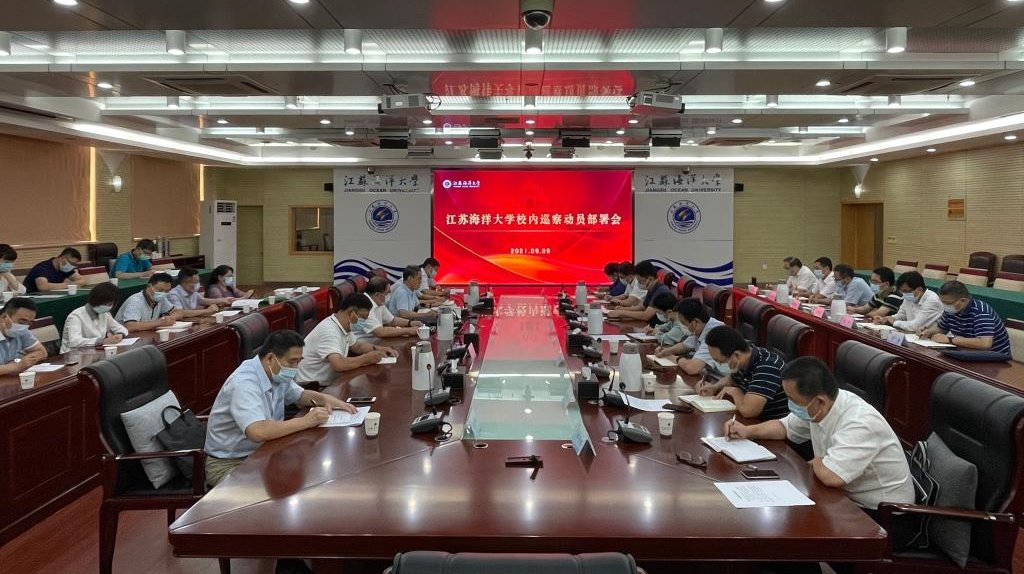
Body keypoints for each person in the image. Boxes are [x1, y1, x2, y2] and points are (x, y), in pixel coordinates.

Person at [725, 357, 914, 511]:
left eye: (792, 399)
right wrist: (747, 431)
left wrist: (816, 461)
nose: (790, 405)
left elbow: (831, 476)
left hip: (882, 512)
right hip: (844, 496)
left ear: (820, 401)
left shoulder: (859, 422)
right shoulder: (820, 406)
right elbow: (784, 427)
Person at [204, 329, 358, 487]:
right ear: (270, 358)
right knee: (282, 488)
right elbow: (258, 431)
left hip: (264, 452)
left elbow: (300, 395)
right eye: (292, 362)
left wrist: (325, 399)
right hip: (231, 463)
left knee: (312, 472)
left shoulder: (274, 373)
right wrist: (306, 421)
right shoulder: (244, 384)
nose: (295, 368)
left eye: (298, 361)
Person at [296, 293, 399, 384]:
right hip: (314, 386)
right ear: (352, 313)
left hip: (332, 381)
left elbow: (357, 346)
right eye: (362, 317)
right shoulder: (329, 331)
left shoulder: (342, 325)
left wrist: (381, 349)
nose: (363, 322)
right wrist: (366, 358)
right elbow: (338, 364)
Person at [701, 326, 789, 420]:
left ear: (736, 355)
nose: (720, 364)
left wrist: (735, 392)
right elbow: (731, 380)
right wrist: (714, 387)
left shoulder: (767, 367)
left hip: (770, 423)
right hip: (755, 421)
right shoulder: (747, 356)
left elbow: (748, 411)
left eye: (721, 361)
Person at [918, 280, 1012, 355]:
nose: (945, 305)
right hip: (966, 352)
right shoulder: (951, 309)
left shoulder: (981, 312)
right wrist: (928, 332)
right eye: (943, 302)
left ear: (963, 300)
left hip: (993, 357)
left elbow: (985, 344)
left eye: (948, 303)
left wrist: (950, 339)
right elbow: (942, 328)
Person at [657, 298, 729, 376]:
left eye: (684, 323)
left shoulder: (714, 334)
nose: (682, 326)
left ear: (695, 322)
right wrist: (667, 351)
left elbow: (692, 368)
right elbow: (685, 346)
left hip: (724, 379)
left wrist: (675, 358)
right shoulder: (702, 327)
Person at [59, 282, 129, 353]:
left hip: (94, 352)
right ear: (97, 300)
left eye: (110, 304)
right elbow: (75, 342)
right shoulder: (75, 316)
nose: (108, 307)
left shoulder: (105, 314)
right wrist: (102, 341)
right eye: (107, 304)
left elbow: (121, 329)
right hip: (72, 355)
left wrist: (119, 335)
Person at [872, 271, 943, 332]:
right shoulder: (910, 296)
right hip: (912, 335)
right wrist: (886, 319)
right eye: (902, 291)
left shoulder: (932, 301)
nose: (904, 294)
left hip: (930, 339)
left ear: (919, 289)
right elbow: (901, 315)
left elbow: (915, 326)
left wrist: (894, 322)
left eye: (906, 291)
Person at [114, 273, 183, 333]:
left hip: (145, 335)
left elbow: (178, 312)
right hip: (123, 338)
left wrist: (170, 318)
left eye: (166, 291)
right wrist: (159, 322)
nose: (163, 294)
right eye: (160, 290)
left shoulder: (161, 299)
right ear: (149, 286)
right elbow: (130, 326)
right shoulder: (135, 301)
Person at [358, 276, 422, 340]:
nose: (389, 295)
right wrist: (409, 330)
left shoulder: (378, 301)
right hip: (368, 343)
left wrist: (410, 323)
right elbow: (380, 332)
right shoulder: (363, 305)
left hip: (379, 341)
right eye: (387, 293)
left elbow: (392, 320)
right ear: (378, 295)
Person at [0, 298, 46, 375]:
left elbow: (41, 352)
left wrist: (26, 361)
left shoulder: (22, 331)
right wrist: (16, 366)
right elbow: (18, 366)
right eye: (21, 322)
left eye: (29, 323)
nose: (24, 326)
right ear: (4, 317)